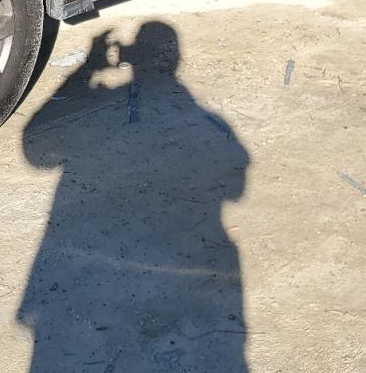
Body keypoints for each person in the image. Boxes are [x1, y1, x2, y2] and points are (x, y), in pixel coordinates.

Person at [18, 21, 250, 372]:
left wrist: (88, 67)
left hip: (93, 288)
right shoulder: (211, 125)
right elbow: (236, 186)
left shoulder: (105, 106)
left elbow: (35, 151)